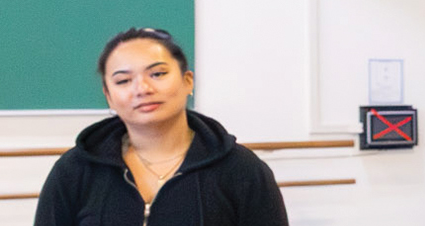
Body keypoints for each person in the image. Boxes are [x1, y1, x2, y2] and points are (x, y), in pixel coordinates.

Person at [35, 28, 288, 225]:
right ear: (109, 96)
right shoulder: (75, 170)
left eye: (157, 74)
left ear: (187, 81)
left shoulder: (241, 170)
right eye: (123, 80)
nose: (143, 89)